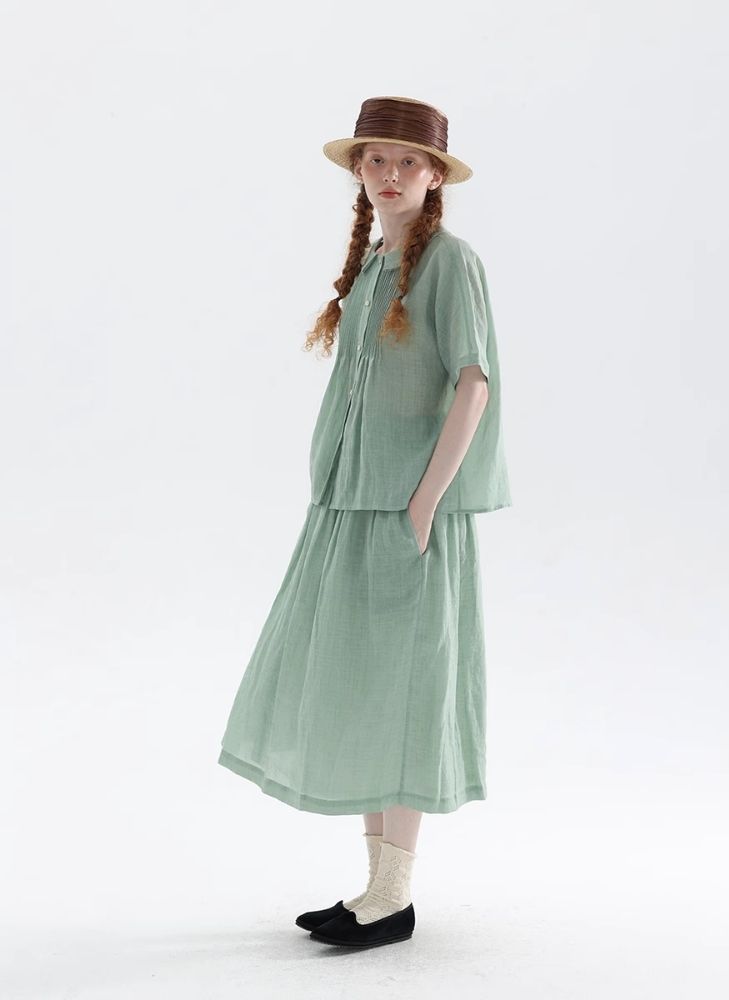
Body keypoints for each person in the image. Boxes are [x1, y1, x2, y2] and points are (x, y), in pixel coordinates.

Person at [217, 95, 512, 949]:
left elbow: (474, 383)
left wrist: (424, 504)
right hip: (349, 505)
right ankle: (377, 889)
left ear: (435, 177)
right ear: (358, 170)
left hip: (405, 513)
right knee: (365, 689)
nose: (390, 173)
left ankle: (392, 897)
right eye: (376, 159)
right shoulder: (378, 263)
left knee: (406, 693)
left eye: (408, 161)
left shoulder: (451, 263)